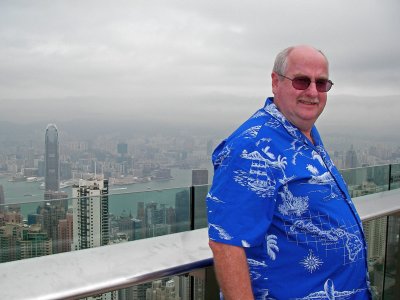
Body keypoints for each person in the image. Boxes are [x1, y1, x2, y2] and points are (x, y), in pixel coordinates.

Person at [207, 45, 371, 299]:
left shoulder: (304, 136)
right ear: (275, 82)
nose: (313, 92)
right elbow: (226, 244)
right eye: (301, 81)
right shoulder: (253, 146)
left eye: (322, 83)